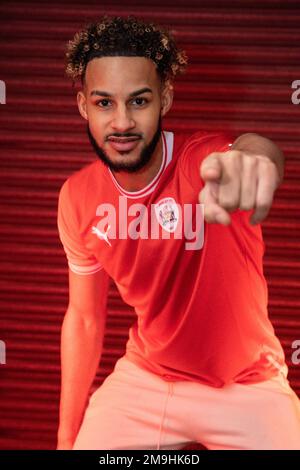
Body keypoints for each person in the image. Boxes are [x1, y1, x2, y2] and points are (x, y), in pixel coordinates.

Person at [56, 15, 300, 450]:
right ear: (83, 106)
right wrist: (65, 435)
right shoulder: (77, 197)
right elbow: (86, 318)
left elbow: (251, 148)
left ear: (164, 99)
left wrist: (257, 159)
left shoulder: (204, 160)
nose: (122, 122)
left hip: (247, 385)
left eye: (139, 101)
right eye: (104, 103)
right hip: (148, 380)